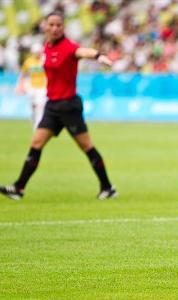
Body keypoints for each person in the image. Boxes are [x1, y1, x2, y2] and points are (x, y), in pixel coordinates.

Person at [0, 11, 117, 201]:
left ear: (63, 27)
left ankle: (107, 187)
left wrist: (98, 56)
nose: (55, 28)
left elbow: (82, 52)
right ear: (45, 26)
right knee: (36, 143)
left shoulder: (69, 47)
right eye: (51, 24)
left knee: (87, 147)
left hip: (69, 106)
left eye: (58, 25)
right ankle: (19, 188)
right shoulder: (46, 47)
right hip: (52, 105)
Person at [15, 43, 47, 130]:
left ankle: (38, 127)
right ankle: (35, 123)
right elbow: (23, 74)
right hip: (32, 87)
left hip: (43, 87)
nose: (37, 53)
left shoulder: (45, 60)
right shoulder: (28, 62)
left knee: (40, 106)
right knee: (33, 107)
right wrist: (20, 85)